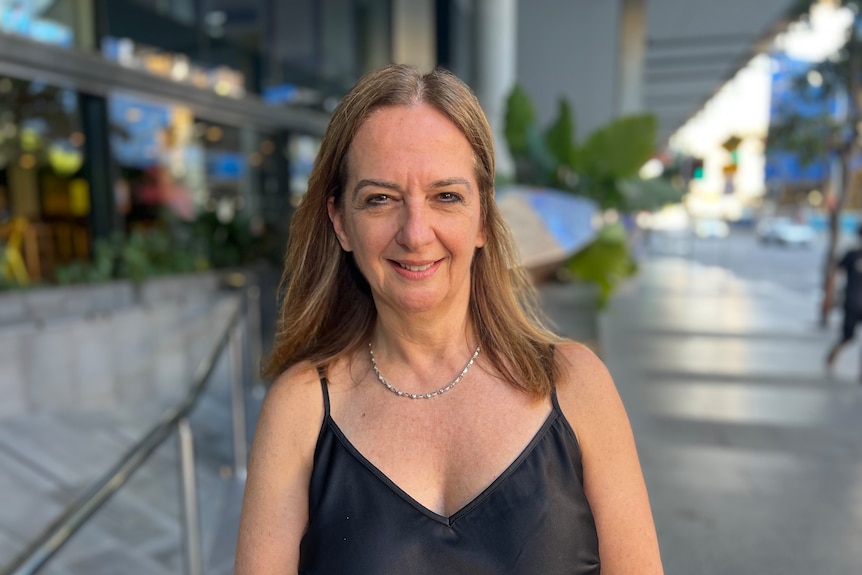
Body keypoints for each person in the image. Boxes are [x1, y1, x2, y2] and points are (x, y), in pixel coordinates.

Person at [235, 64, 664, 575]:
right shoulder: (301, 409)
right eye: (379, 199)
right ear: (340, 222)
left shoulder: (576, 387)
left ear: (482, 217)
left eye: (446, 197)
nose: (415, 233)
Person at [825, 223, 862, 377]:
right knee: (848, 335)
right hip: (852, 302)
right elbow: (836, 271)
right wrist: (829, 295)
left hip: (853, 301)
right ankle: (834, 352)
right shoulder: (852, 254)